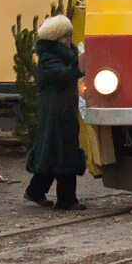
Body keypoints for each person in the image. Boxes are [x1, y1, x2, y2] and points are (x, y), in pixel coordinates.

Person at [24, 14, 86, 211]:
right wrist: (80, 63)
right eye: (65, 37)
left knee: (53, 152)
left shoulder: (55, 56)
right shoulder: (48, 59)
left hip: (60, 109)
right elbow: (63, 75)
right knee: (62, 150)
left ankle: (36, 191)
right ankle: (66, 199)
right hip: (55, 111)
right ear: (56, 39)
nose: (69, 40)